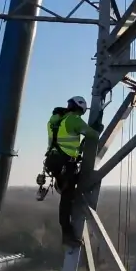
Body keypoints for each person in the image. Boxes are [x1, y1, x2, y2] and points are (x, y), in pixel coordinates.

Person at [44, 96, 102, 247]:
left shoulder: (55, 121)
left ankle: (67, 230)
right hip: (66, 164)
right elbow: (92, 135)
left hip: (54, 162)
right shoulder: (73, 120)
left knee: (67, 194)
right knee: (67, 198)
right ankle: (67, 233)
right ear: (80, 108)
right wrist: (97, 128)